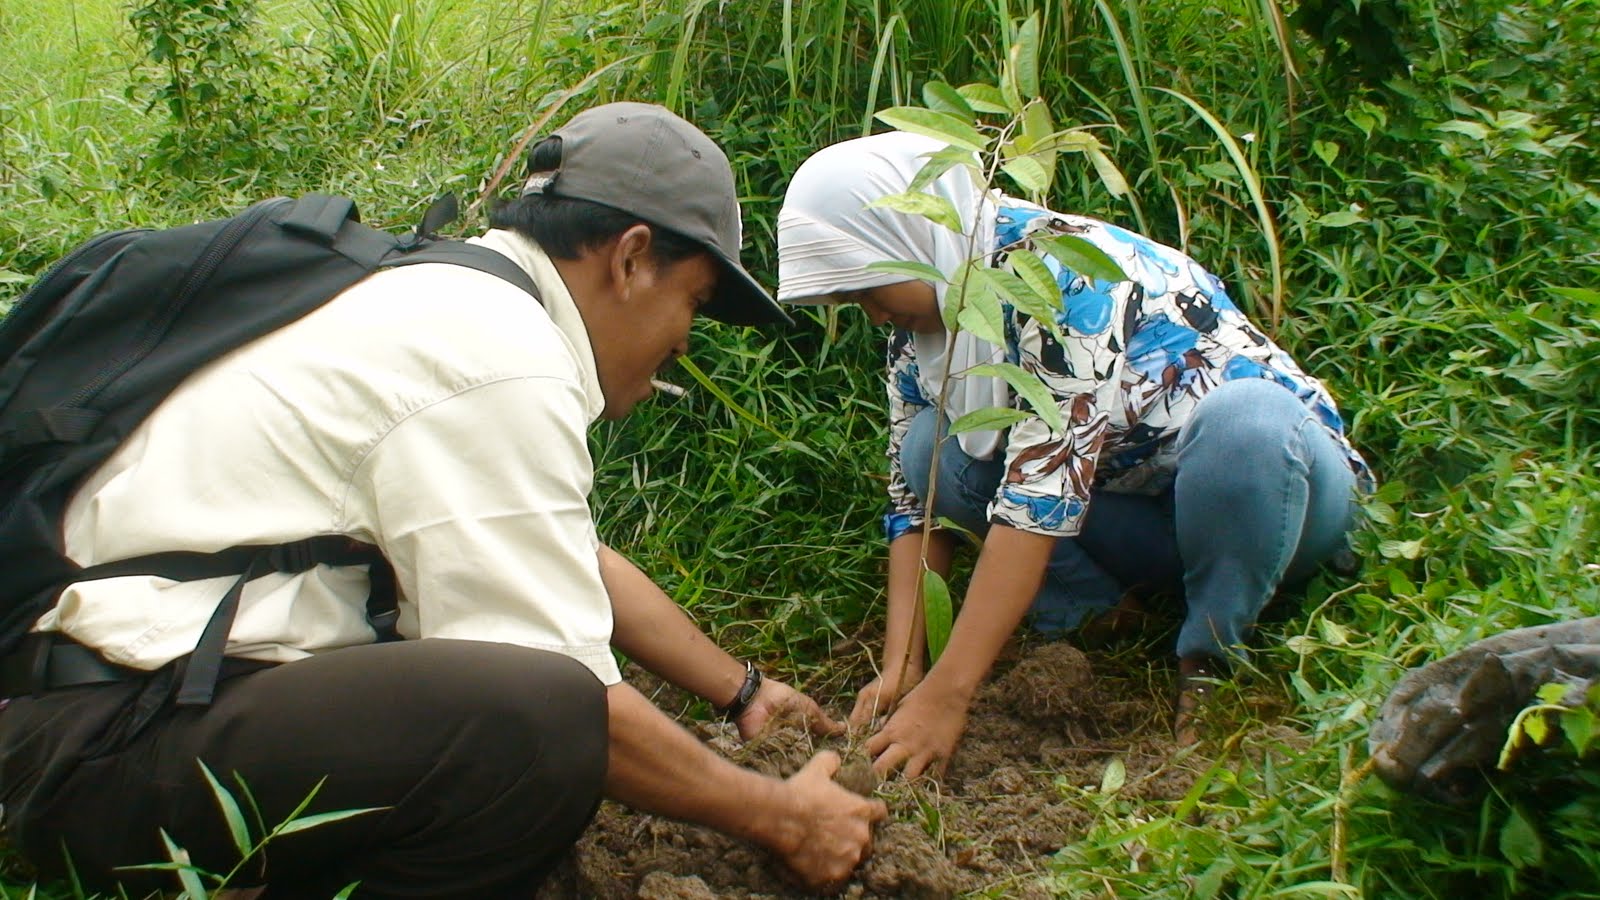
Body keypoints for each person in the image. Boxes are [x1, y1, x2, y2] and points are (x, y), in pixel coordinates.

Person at [0, 102, 885, 898]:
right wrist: (785, 817)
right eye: (693, 301)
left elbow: (566, 560)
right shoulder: (498, 355)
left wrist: (744, 693)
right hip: (106, 749)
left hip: (109, 715)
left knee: (531, 704)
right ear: (632, 258)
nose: (682, 344)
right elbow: (579, 701)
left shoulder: (442, 296)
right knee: (539, 722)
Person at [776, 132, 1373, 770]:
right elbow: (910, 496)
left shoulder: (1064, 277)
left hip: (1278, 505)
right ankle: (1107, 618)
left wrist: (950, 695)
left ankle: (1209, 662)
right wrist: (904, 665)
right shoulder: (927, 319)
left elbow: (1043, 490)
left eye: (868, 291)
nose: (871, 315)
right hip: (1148, 523)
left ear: (912, 240)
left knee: (1246, 419)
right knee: (933, 449)